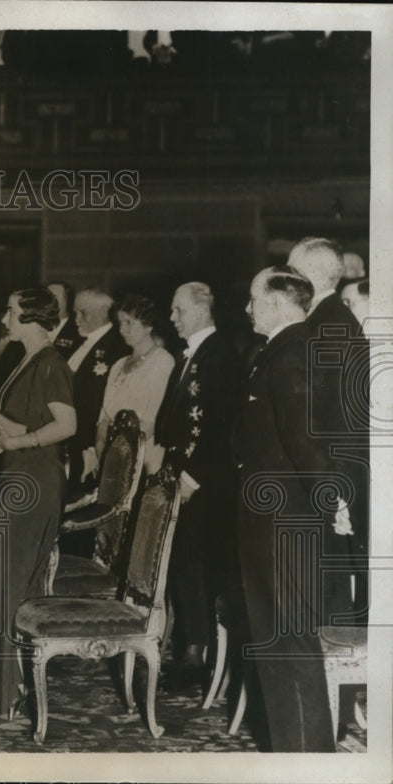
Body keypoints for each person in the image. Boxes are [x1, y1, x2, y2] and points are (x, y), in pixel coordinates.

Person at [234, 266, 342, 752]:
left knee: (292, 648)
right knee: (275, 647)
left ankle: (310, 763)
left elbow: (306, 443)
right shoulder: (275, 352)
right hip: (268, 524)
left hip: (286, 526)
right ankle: (289, 758)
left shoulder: (293, 352)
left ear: (277, 302)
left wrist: (333, 503)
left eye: (254, 298)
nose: (247, 308)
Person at [0, 288, 77, 719]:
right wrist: (2, 434)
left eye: (11, 312)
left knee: (3, 584)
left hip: (34, 484)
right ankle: (9, 689)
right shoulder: (28, 360)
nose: (4, 318)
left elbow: (67, 424)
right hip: (17, 479)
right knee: (5, 584)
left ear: (32, 318)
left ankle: (0, 695)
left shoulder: (51, 362)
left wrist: (20, 439)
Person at [154, 283, 240, 687]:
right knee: (183, 565)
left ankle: (198, 656)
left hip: (205, 486)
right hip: (181, 477)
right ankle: (191, 647)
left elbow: (221, 425)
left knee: (196, 566)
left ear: (202, 310)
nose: (172, 318)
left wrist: (190, 478)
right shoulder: (191, 355)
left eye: (178, 310)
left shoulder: (220, 355)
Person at [287, 237, 366, 623]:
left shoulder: (330, 324)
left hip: (328, 478)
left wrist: (334, 486)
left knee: (329, 596)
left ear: (310, 276)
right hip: (323, 475)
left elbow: (338, 418)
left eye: (291, 270)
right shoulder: (322, 319)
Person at [94, 294, 174, 471]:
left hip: (142, 460)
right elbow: (104, 417)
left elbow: (153, 421)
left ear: (148, 325)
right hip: (111, 459)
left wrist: (120, 457)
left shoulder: (162, 362)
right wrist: (101, 448)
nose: (122, 330)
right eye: (120, 323)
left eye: (129, 323)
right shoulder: (118, 365)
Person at [66, 288, 130, 503]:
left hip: (88, 445)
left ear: (104, 312)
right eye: (74, 312)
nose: (76, 319)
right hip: (69, 442)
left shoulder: (117, 346)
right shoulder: (78, 341)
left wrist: (92, 448)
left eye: (83, 313)